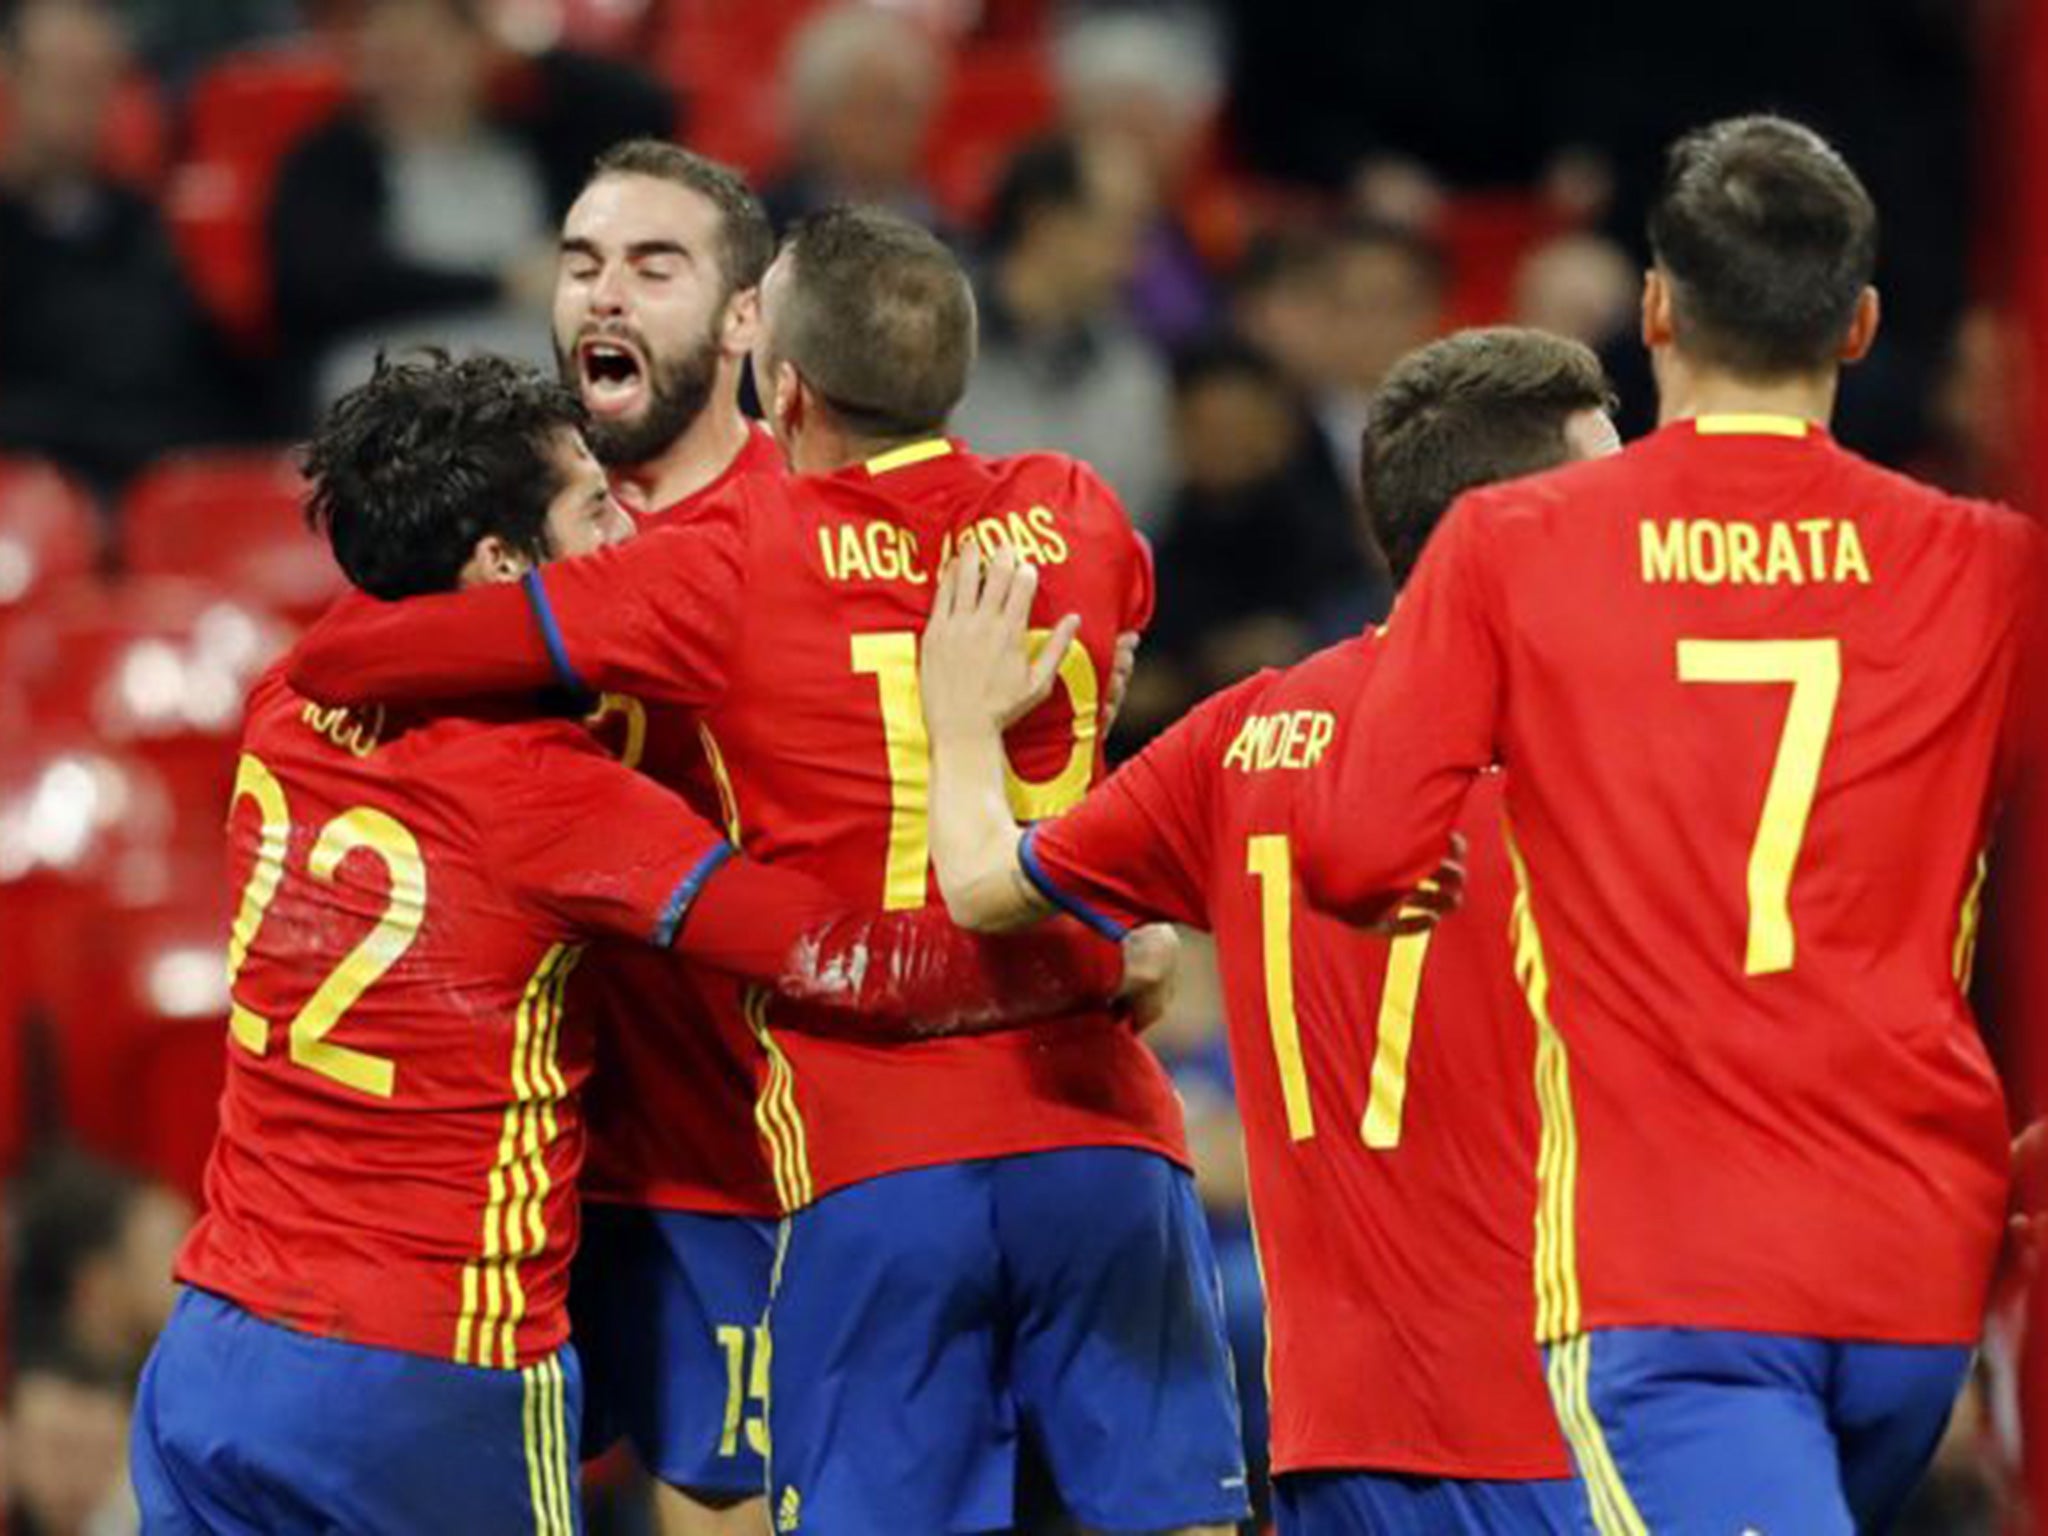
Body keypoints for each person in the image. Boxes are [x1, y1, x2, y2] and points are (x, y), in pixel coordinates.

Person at [284, 208, 1250, 1536]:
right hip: (1105, 1130)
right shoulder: (1077, 508)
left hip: (875, 1153)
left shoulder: (729, 561)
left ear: (783, 389)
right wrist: (1101, 927)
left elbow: (350, 660)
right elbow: (1115, 638)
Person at [1291, 115, 2041, 1533]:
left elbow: (1350, 847)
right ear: (1859, 324)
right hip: (1916, 1258)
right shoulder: (1991, 564)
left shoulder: (1508, 547)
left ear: (1652, 310)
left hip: (1674, 1270)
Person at [914, 327, 1619, 1534]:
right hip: (1557, 1433)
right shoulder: (1599, 757)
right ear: (1510, 534)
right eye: (1605, 498)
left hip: (1330, 1443)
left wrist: (962, 726)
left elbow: (979, 884)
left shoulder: (1243, 734)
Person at [549, 138, 785, 1536]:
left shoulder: (811, 537)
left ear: (745, 315)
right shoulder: (496, 527)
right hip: (523, 1167)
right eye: (583, 264)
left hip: (734, 1155)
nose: (605, 295)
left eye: (653, 266)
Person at [268, 0, 671, 414]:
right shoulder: (330, 162)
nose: (407, 75)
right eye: (388, 54)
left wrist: (524, 53)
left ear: (479, 51)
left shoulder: (533, 142)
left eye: (424, 52)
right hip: (396, 362)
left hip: (536, 351)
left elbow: (644, 107)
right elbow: (332, 283)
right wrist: (501, 283)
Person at [0, 0, 250, 497]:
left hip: (158, 476)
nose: (79, 103)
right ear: (11, 81)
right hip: (35, 490)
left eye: (96, 82)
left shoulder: (140, 225)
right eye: (60, 79)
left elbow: (197, 374)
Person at [953, 133, 1175, 529]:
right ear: (1044, 222)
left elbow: (1139, 519)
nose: (1135, 261)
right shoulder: (929, 344)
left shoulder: (1135, 376)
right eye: (1118, 229)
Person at [759, 0, 947, 236]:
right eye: (864, 109)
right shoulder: (761, 228)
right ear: (816, 115)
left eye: (899, 108)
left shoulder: (950, 235)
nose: (884, 129)